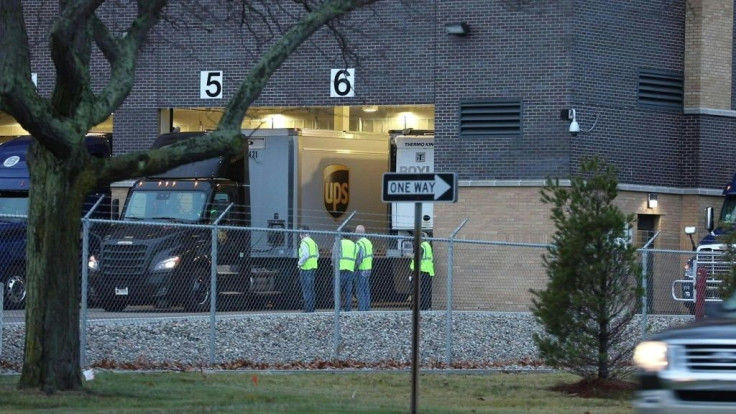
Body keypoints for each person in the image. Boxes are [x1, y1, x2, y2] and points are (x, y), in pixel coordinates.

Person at [410, 232, 435, 311]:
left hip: (421, 270)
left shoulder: (421, 246)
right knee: (426, 290)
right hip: (428, 270)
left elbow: (417, 257)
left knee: (421, 290)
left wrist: (410, 256)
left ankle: (423, 307)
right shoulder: (428, 246)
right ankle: (427, 306)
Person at [334, 230, 357, 311]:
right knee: (348, 291)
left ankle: (338, 309)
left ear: (342, 236)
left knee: (337, 290)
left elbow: (334, 257)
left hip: (340, 269)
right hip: (350, 269)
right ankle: (348, 309)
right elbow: (357, 258)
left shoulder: (338, 243)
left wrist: (334, 266)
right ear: (350, 236)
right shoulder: (354, 245)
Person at [297, 227, 318, 313]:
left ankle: (308, 309)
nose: (299, 235)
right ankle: (312, 308)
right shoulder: (313, 242)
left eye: (299, 233)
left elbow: (305, 255)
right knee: (311, 289)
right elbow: (317, 256)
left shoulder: (304, 242)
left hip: (305, 268)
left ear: (302, 234)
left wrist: (299, 263)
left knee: (306, 290)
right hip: (313, 267)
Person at [354, 225, 373, 311]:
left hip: (361, 269)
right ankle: (367, 308)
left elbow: (359, 258)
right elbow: (371, 256)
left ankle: (361, 309)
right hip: (368, 268)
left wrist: (355, 267)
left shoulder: (359, 243)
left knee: (360, 290)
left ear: (358, 233)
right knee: (366, 289)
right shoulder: (368, 242)